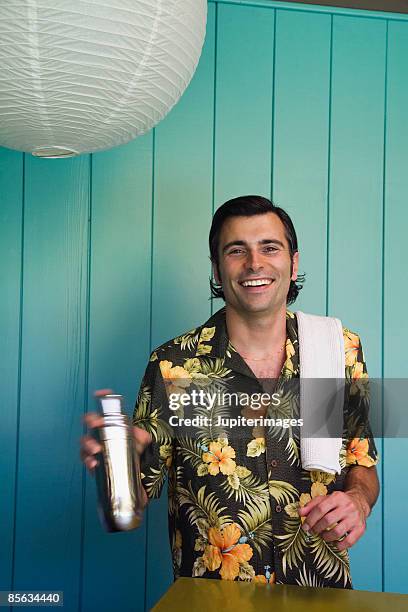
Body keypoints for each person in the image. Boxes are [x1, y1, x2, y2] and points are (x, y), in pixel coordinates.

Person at [81, 195, 379, 588]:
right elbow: (132, 508)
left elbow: (364, 463)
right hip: (212, 598)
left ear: (294, 262)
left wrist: (357, 500)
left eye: (269, 247)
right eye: (237, 250)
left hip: (319, 591)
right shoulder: (173, 366)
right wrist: (114, 467)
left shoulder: (340, 348)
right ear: (217, 270)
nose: (255, 263)